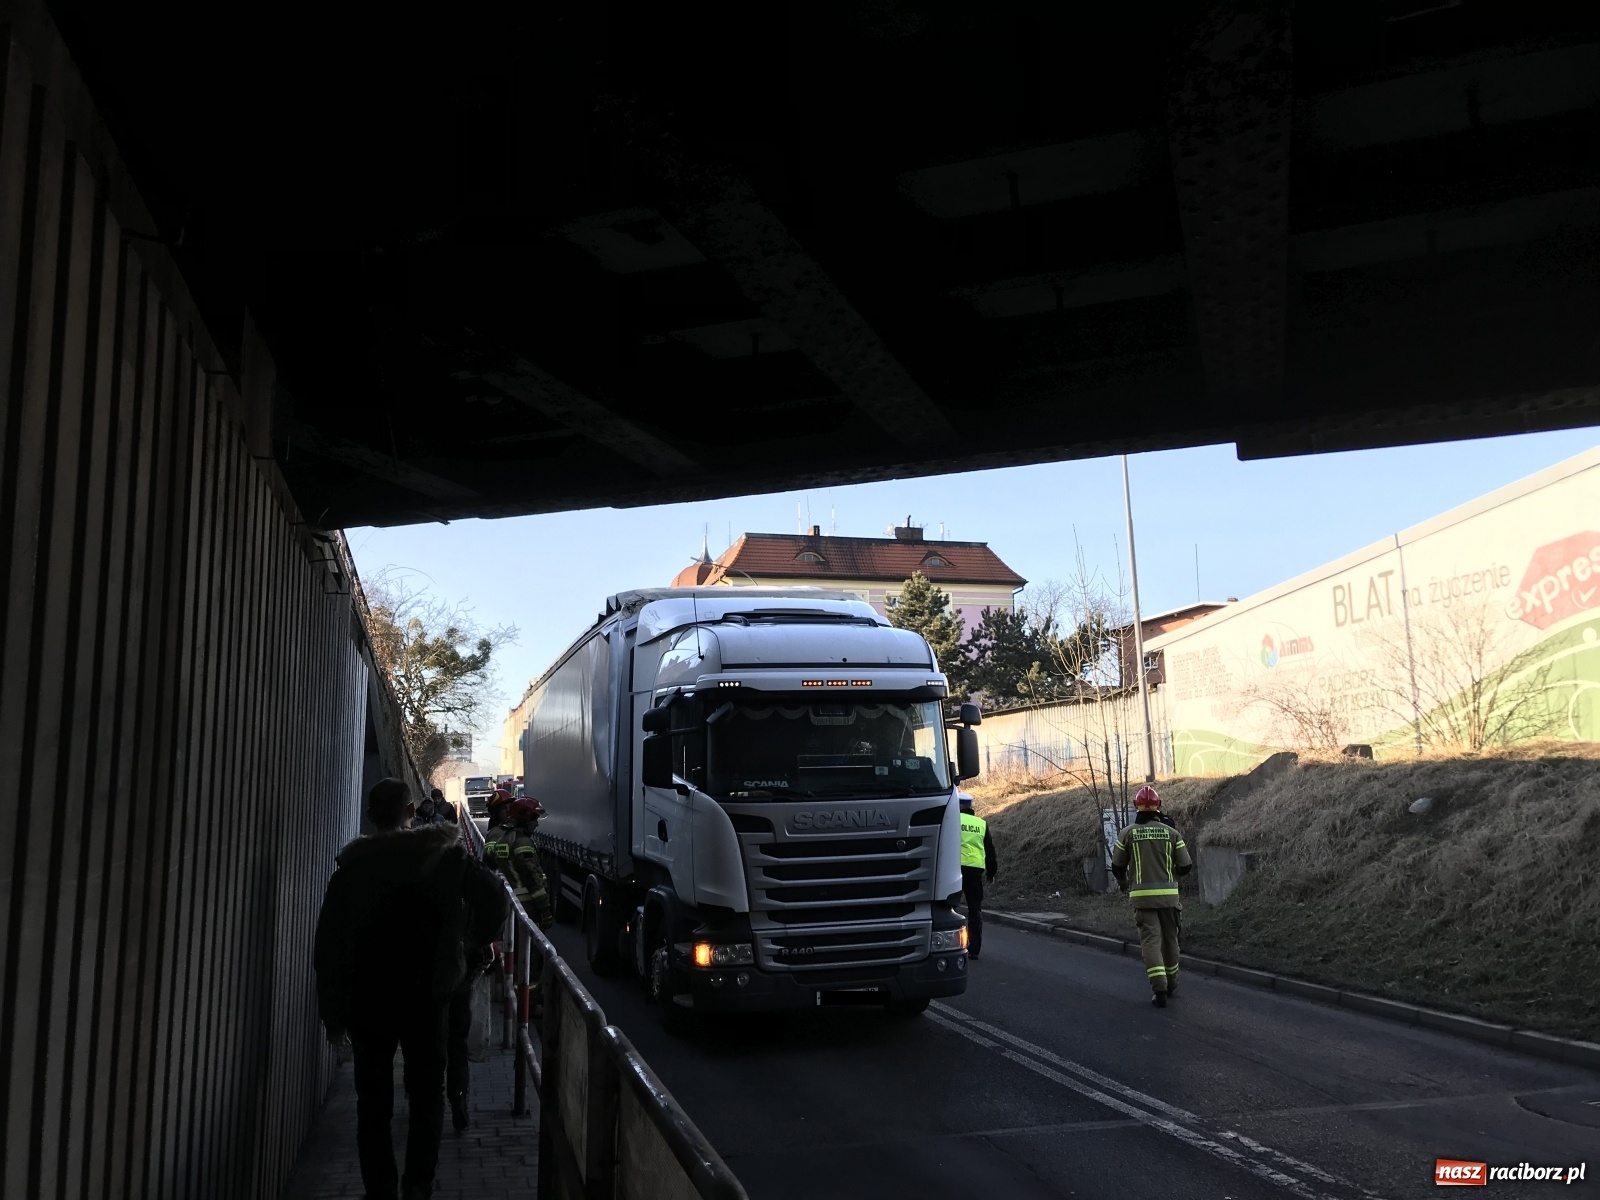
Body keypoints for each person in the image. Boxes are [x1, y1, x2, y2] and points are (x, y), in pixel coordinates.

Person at [315, 778, 508, 1200]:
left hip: (368, 1000)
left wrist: (333, 1016)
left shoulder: (352, 870)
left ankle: (380, 1190)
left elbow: (329, 945)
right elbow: (496, 898)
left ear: (370, 816)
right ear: (410, 813)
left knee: (373, 1101)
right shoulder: (444, 858)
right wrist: (470, 943)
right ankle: (418, 1184)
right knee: (426, 1095)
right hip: (428, 995)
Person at [1110, 785, 1193, 1008]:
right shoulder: (1172, 833)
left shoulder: (1127, 834)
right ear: (1159, 807)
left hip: (1143, 900)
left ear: (1136, 806)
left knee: (1151, 942)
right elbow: (1186, 866)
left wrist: (1123, 884)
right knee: (1170, 941)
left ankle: (1159, 990)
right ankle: (1172, 983)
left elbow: (1117, 867)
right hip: (1169, 900)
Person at [484, 797, 554, 929]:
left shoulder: (503, 839)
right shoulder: (522, 841)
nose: (536, 824)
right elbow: (531, 875)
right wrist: (544, 908)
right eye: (534, 820)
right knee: (533, 947)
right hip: (527, 907)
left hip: (510, 905)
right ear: (525, 819)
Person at [958, 793, 997, 960]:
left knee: (949, 907)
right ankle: (974, 949)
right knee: (975, 910)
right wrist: (991, 873)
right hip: (975, 871)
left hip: (955, 869)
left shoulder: (952, 820)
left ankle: (952, 944)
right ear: (970, 805)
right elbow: (990, 850)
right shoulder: (981, 823)